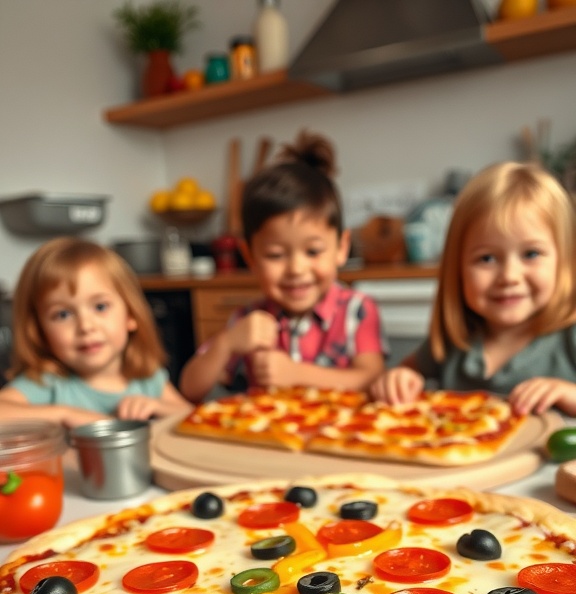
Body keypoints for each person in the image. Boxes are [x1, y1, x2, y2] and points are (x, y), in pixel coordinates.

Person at [179, 132, 386, 403]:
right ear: (250, 256)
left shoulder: (357, 310)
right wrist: (226, 344)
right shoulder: (247, 319)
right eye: (276, 255)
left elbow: (371, 379)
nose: (296, 269)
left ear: (342, 247)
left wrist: (296, 374)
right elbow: (189, 389)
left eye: (313, 251)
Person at [369, 161, 576, 416]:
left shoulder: (570, 338)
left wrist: (570, 394)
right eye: (486, 259)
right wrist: (397, 379)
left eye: (531, 254)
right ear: (458, 269)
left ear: (565, 262)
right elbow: (406, 372)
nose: (509, 276)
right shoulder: (452, 343)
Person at [0, 237, 190, 427]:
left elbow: (191, 414)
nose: (86, 326)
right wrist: (64, 414)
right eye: (63, 314)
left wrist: (158, 406)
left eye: (100, 307)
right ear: (39, 331)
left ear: (130, 315)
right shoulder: (47, 384)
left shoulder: (148, 378)